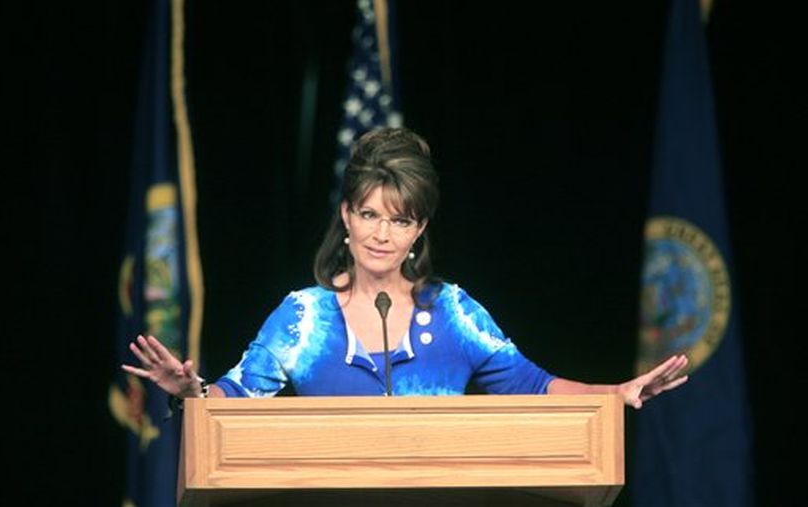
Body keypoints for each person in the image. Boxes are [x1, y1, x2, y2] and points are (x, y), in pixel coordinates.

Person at [122, 127, 688, 408]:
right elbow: (236, 394)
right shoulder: (304, 319)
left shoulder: (453, 313)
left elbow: (534, 384)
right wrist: (189, 392)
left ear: (418, 229)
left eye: (398, 220)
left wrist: (615, 394)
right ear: (346, 216)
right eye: (368, 214)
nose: (380, 234)